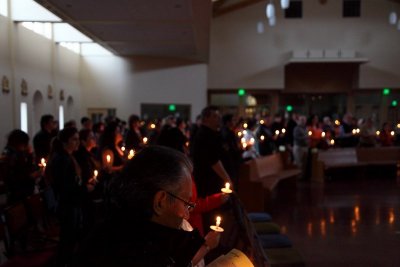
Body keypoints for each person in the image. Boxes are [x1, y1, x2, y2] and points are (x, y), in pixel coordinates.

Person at [72, 146, 221, 267]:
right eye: (186, 203)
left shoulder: (120, 224)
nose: (187, 215)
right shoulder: (135, 253)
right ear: (160, 201)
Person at [46, 127, 83, 266]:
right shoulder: (62, 159)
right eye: (74, 139)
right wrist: (84, 188)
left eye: (78, 139)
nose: (78, 142)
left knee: (70, 238)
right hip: (67, 205)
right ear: (64, 142)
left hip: (71, 203)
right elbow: (65, 186)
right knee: (68, 239)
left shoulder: (67, 156)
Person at [1, 129, 40, 204]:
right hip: (20, 191)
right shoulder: (16, 155)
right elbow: (23, 173)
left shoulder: (7, 152)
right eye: (25, 143)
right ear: (20, 143)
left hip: (13, 191)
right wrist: (30, 155)